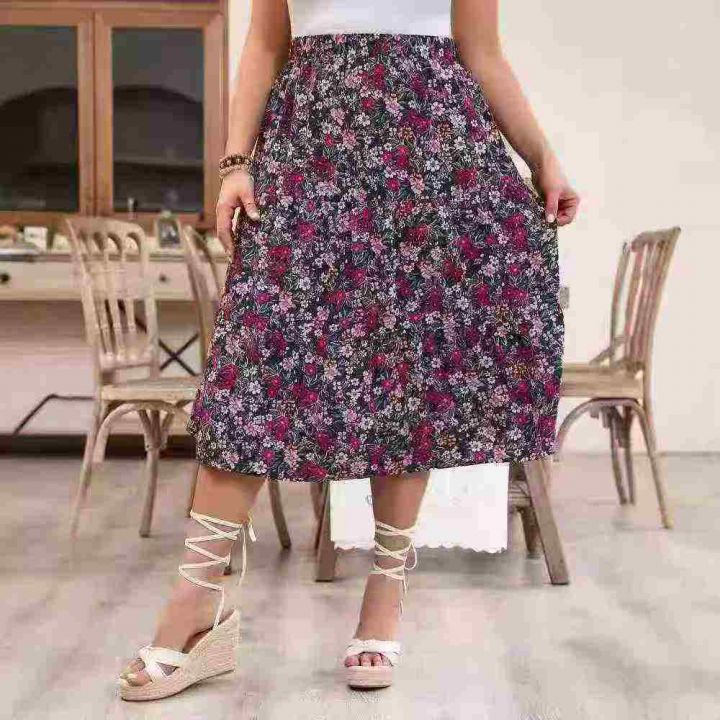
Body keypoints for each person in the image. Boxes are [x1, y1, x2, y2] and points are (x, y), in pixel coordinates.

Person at [117, 0, 579, 700]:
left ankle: (385, 591)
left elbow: (481, 53)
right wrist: (236, 163)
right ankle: (196, 601)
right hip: (308, 151)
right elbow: (264, 46)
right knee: (253, 369)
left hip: (429, 156)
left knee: (406, 373)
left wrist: (543, 158)